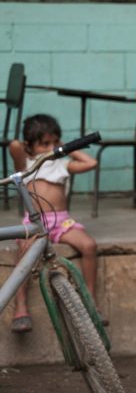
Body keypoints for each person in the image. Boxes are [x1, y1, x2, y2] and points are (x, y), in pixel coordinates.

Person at [8, 114, 100, 333]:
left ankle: (91, 299)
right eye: (44, 143)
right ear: (30, 145)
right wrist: (30, 147)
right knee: (23, 254)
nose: (50, 148)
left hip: (61, 221)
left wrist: (64, 148)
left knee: (89, 246)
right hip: (34, 224)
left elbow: (91, 162)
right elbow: (14, 145)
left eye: (54, 142)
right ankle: (20, 308)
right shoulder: (27, 165)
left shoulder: (62, 165)